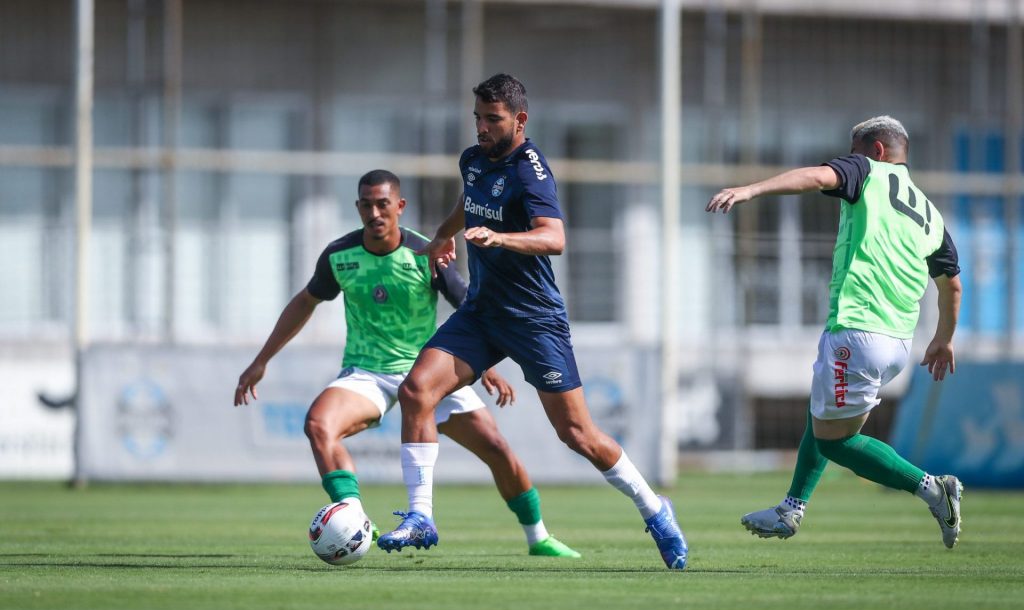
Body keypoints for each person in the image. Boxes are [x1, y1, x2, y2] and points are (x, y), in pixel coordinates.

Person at [391, 74, 688, 570]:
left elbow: (554, 238)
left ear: (520, 120)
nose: (482, 128)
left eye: (493, 120)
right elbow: (470, 201)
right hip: (483, 312)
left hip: (534, 319)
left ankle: (655, 510)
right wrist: (445, 236)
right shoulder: (472, 159)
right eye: (478, 118)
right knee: (416, 390)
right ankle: (421, 517)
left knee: (578, 435)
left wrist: (501, 239)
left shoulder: (531, 170)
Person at [234, 169, 580, 559]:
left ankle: (539, 537)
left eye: (383, 204)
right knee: (318, 424)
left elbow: (471, 307)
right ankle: (355, 519)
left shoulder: (425, 252)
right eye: (367, 205)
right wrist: (261, 360)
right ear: (358, 208)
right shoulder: (339, 255)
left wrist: (487, 367)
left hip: (427, 375)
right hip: (366, 372)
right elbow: (305, 301)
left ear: (400, 206)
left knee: (497, 448)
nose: (375, 213)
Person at [706, 115, 964, 548]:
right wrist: (944, 338)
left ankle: (934, 489)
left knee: (838, 444)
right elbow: (951, 284)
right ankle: (791, 509)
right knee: (823, 415)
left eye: (854, 152)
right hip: (900, 339)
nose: (847, 161)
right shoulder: (929, 213)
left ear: (877, 151)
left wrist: (750, 189)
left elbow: (815, 176)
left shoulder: (867, 171)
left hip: (858, 331)